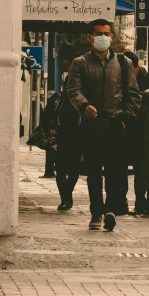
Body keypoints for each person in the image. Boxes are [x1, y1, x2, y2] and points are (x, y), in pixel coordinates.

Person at [67, 19, 141, 232]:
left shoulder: (123, 63)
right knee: (93, 172)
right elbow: (74, 90)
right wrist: (84, 106)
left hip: (115, 123)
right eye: (99, 34)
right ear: (90, 37)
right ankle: (95, 212)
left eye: (107, 34)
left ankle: (110, 210)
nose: (103, 38)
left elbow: (133, 94)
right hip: (91, 125)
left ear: (112, 37)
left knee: (115, 171)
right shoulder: (80, 63)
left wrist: (125, 117)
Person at [120, 51, 149, 216]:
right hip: (125, 128)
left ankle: (141, 201)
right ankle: (121, 200)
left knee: (141, 168)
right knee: (121, 165)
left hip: (142, 131)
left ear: (136, 67)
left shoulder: (148, 80)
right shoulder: (121, 77)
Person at [55, 75, 82, 211]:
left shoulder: (82, 100)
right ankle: (65, 198)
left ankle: (67, 196)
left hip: (77, 138)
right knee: (60, 170)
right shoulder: (58, 98)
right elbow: (49, 115)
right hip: (61, 138)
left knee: (73, 170)